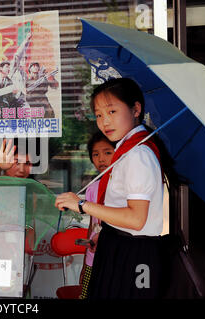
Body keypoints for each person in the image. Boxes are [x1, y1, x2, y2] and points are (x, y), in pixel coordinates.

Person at [55, 77, 177, 299]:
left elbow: (136, 219)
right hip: (118, 246)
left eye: (111, 111)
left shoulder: (138, 154)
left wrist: (82, 205)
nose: (104, 122)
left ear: (136, 109)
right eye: (99, 115)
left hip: (135, 254)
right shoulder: (127, 150)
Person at [78, 131, 115, 299]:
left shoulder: (122, 187)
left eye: (108, 152)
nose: (101, 159)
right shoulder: (93, 188)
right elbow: (92, 225)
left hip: (114, 259)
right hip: (92, 259)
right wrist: (85, 265)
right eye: (95, 154)